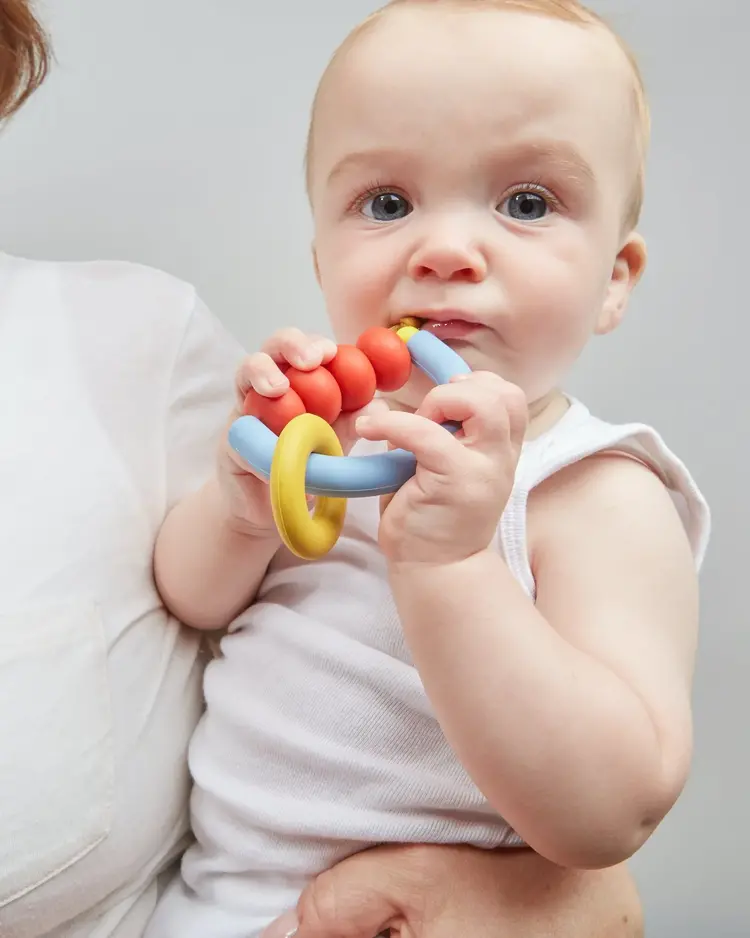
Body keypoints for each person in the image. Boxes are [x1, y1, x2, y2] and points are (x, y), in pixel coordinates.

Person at [0, 2, 650, 937]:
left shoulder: (595, 491)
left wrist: (454, 564)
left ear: (615, 277)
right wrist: (238, 510)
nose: (446, 251)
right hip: (216, 907)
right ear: (321, 255)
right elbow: (192, 602)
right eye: (387, 205)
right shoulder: (332, 445)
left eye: (526, 203)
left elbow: (610, 814)